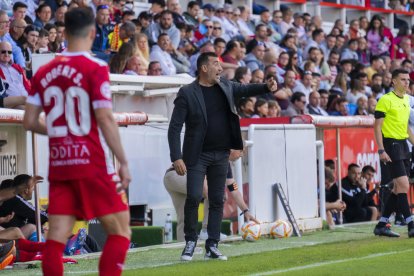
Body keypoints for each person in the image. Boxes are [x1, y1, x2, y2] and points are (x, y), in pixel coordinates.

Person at [23, 8, 131, 276]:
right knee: (121, 231)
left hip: (61, 166)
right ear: (93, 33)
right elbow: (105, 118)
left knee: (56, 239)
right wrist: (124, 161)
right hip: (91, 162)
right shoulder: (95, 67)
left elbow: (29, 121)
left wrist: (61, 132)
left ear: (65, 32)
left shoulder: (44, 71)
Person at [168, 52, 277, 261]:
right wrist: (176, 157)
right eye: (216, 64)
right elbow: (174, 128)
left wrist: (265, 87)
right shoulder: (187, 93)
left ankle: (212, 245)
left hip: (221, 154)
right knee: (193, 196)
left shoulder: (225, 86)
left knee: (217, 199)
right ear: (204, 68)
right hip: (197, 155)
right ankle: (190, 242)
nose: (221, 68)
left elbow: (245, 89)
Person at [164, 163, 259, 242]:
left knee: (184, 216)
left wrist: (245, 210)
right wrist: (215, 196)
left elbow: (233, 188)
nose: (242, 154)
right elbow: (204, 180)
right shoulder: (215, 153)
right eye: (240, 151)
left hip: (171, 177)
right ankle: (207, 231)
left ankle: (184, 247)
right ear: (232, 149)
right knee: (216, 191)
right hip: (177, 175)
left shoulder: (226, 164)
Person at [373, 69, 414, 238]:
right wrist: (381, 149)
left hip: (403, 145)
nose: (407, 83)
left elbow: (405, 127)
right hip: (391, 144)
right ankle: (411, 224)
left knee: (398, 189)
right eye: (403, 80)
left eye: (407, 80)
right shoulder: (385, 100)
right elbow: (377, 127)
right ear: (394, 82)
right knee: (403, 185)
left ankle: (382, 224)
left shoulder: (406, 100)